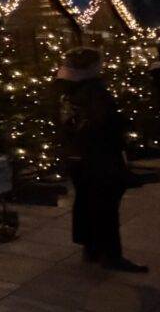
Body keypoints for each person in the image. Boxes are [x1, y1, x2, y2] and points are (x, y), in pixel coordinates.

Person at [56, 47, 146, 272]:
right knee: (106, 205)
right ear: (92, 66)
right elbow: (103, 123)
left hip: (76, 155)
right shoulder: (94, 89)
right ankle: (111, 255)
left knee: (86, 201)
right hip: (100, 156)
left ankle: (91, 247)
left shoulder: (64, 87)